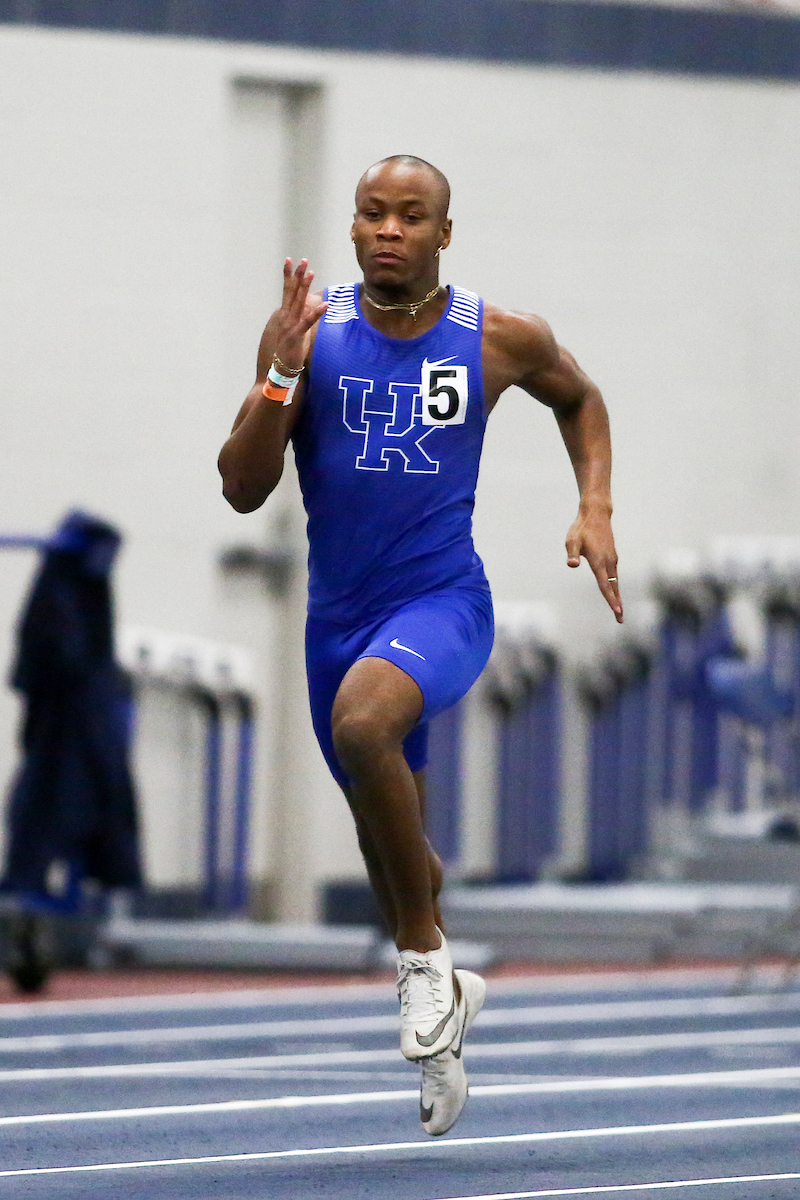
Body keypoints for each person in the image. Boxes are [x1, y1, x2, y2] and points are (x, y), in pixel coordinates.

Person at [218, 154, 622, 1136]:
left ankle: (421, 965)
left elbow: (578, 398)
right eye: (370, 214)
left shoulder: (498, 337)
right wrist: (276, 372)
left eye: (410, 216)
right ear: (351, 230)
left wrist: (594, 505)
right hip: (338, 623)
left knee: (366, 724)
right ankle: (443, 1034)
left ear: (444, 234)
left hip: (440, 603)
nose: (388, 229)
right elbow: (240, 486)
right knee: (405, 858)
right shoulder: (313, 342)